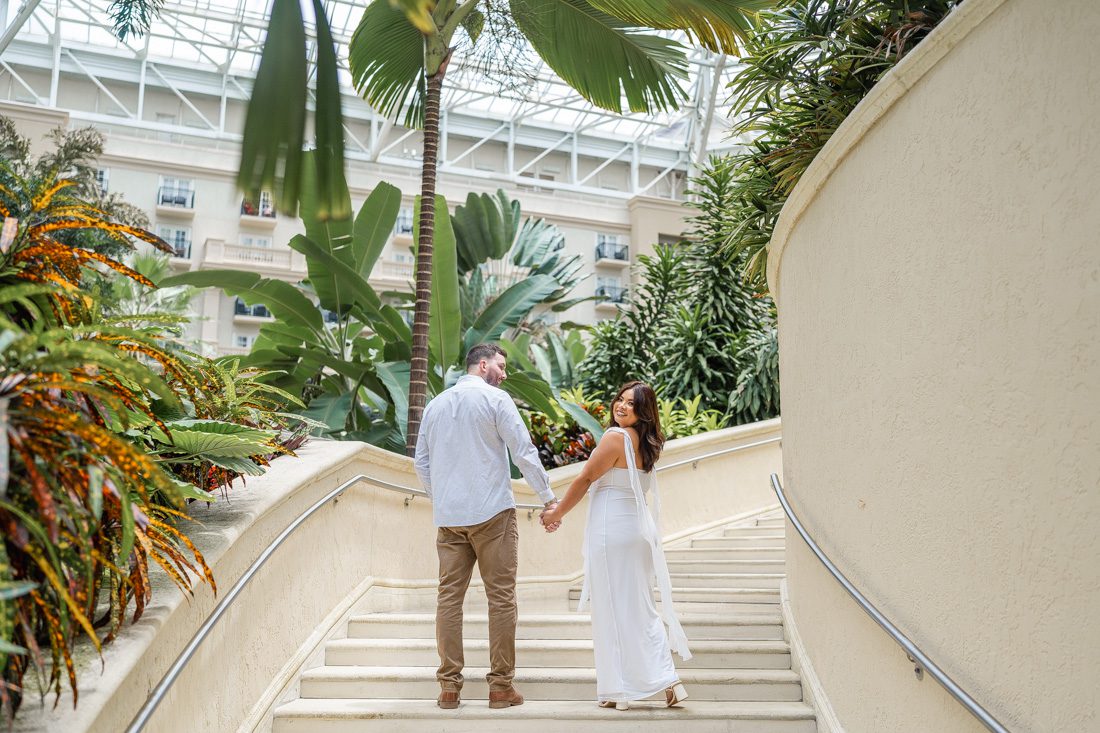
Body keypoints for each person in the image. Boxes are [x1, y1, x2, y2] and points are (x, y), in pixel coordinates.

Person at [413, 343, 560, 711]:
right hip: (492, 514)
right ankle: (500, 688)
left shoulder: (435, 405)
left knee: (448, 599)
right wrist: (548, 499)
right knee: (501, 598)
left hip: (449, 520)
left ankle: (449, 689)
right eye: (501, 366)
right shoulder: (497, 401)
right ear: (483, 365)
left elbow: (421, 462)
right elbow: (523, 451)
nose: (505, 374)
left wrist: (442, 497)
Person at [539, 380, 691, 710]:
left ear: (643, 412)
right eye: (620, 399)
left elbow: (584, 479)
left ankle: (619, 690)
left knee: (611, 608)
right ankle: (664, 680)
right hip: (636, 530)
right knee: (638, 606)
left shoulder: (614, 437)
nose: (621, 406)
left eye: (631, 404)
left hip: (613, 532)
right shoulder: (646, 443)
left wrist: (556, 512)